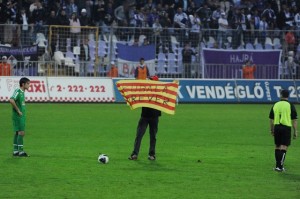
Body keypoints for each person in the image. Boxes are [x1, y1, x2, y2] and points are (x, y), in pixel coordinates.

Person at [128, 75, 161, 161]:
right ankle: (135, 154)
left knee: (152, 136)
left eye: (149, 79)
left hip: (152, 117)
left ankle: (151, 154)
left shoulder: (159, 91)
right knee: (139, 135)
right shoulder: (144, 90)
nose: (147, 80)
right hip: (145, 116)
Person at [269, 89, 298, 172]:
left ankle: (277, 166)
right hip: (286, 128)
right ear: (288, 96)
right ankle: (280, 167)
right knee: (284, 147)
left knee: (277, 146)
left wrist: (272, 129)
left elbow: (271, 119)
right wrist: (295, 131)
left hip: (277, 127)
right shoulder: (290, 105)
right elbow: (294, 120)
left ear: (281, 95)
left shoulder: (276, 104)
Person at [9, 77, 31, 157]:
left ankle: (15, 151)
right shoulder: (18, 91)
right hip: (18, 116)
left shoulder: (22, 92)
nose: (29, 85)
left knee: (17, 132)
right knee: (21, 133)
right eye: (28, 84)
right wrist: (18, 110)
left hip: (20, 116)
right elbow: (11, 100)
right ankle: (21, 152)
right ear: (23, 84)